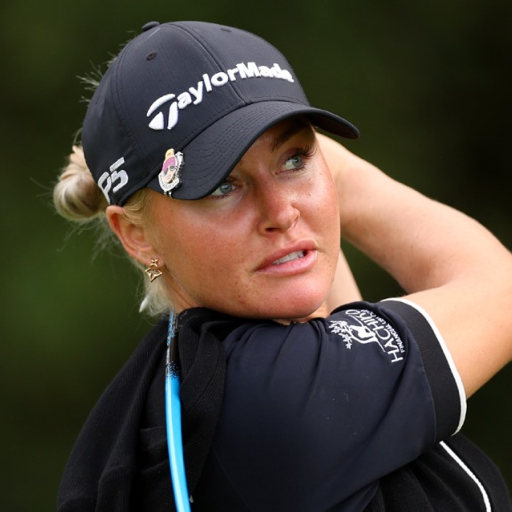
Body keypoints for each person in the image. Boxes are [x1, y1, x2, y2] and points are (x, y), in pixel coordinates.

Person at [53, 20, 512, 512]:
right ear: (137, 236)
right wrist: (339, 173)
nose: (282, 213)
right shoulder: (271, 396)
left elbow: (335, 320)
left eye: (295, 159)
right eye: (222, 185)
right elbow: (498, 288)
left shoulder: (196, 380)